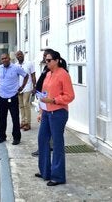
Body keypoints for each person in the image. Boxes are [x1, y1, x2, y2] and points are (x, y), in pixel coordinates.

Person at [35, 50, 75, 186]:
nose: (46, 63)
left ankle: (57, 176)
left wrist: (53, 100)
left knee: (57, 144)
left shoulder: (63, 74)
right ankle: (45, 171)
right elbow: (44, 94)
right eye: (45, 60)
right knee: (42, 140)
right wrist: (41, 111)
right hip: (46, 113)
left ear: (57, 60)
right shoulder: (47, 74)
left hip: (58, 113)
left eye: (48, 60)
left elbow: (70, 96)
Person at [0, 53, 29, 145]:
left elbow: (26, 76)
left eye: (6, 58)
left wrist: (22, 87)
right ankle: (1, 136)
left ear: (9, 58)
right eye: (2, 59)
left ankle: (16, 138)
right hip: (2, 97)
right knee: (1, 118)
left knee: (15, 118)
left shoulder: (16, 68)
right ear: (1, 60)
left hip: (13, 96)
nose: (4, 60)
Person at [31, 48, 54, 157]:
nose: (44, 58)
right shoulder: (46, 68)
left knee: (46, 129)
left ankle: (46, 148)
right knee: (45, 127)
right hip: (43, 99)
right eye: (44, 56)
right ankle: (46, 147)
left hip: (49, 101)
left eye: (46, 56)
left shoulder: (53, 70)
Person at [15, 50, 36, 131]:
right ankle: (23, 122)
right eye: (18, 55)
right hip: (19, 88)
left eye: (21, 54)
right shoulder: (15, 65)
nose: (19, 56)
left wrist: (34, 87)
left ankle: (28, 123)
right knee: (21, 105)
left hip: (27, 87)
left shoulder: (29, 64)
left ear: (23, 55)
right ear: (16, 57)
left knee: (26, 104)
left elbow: (33, 76)